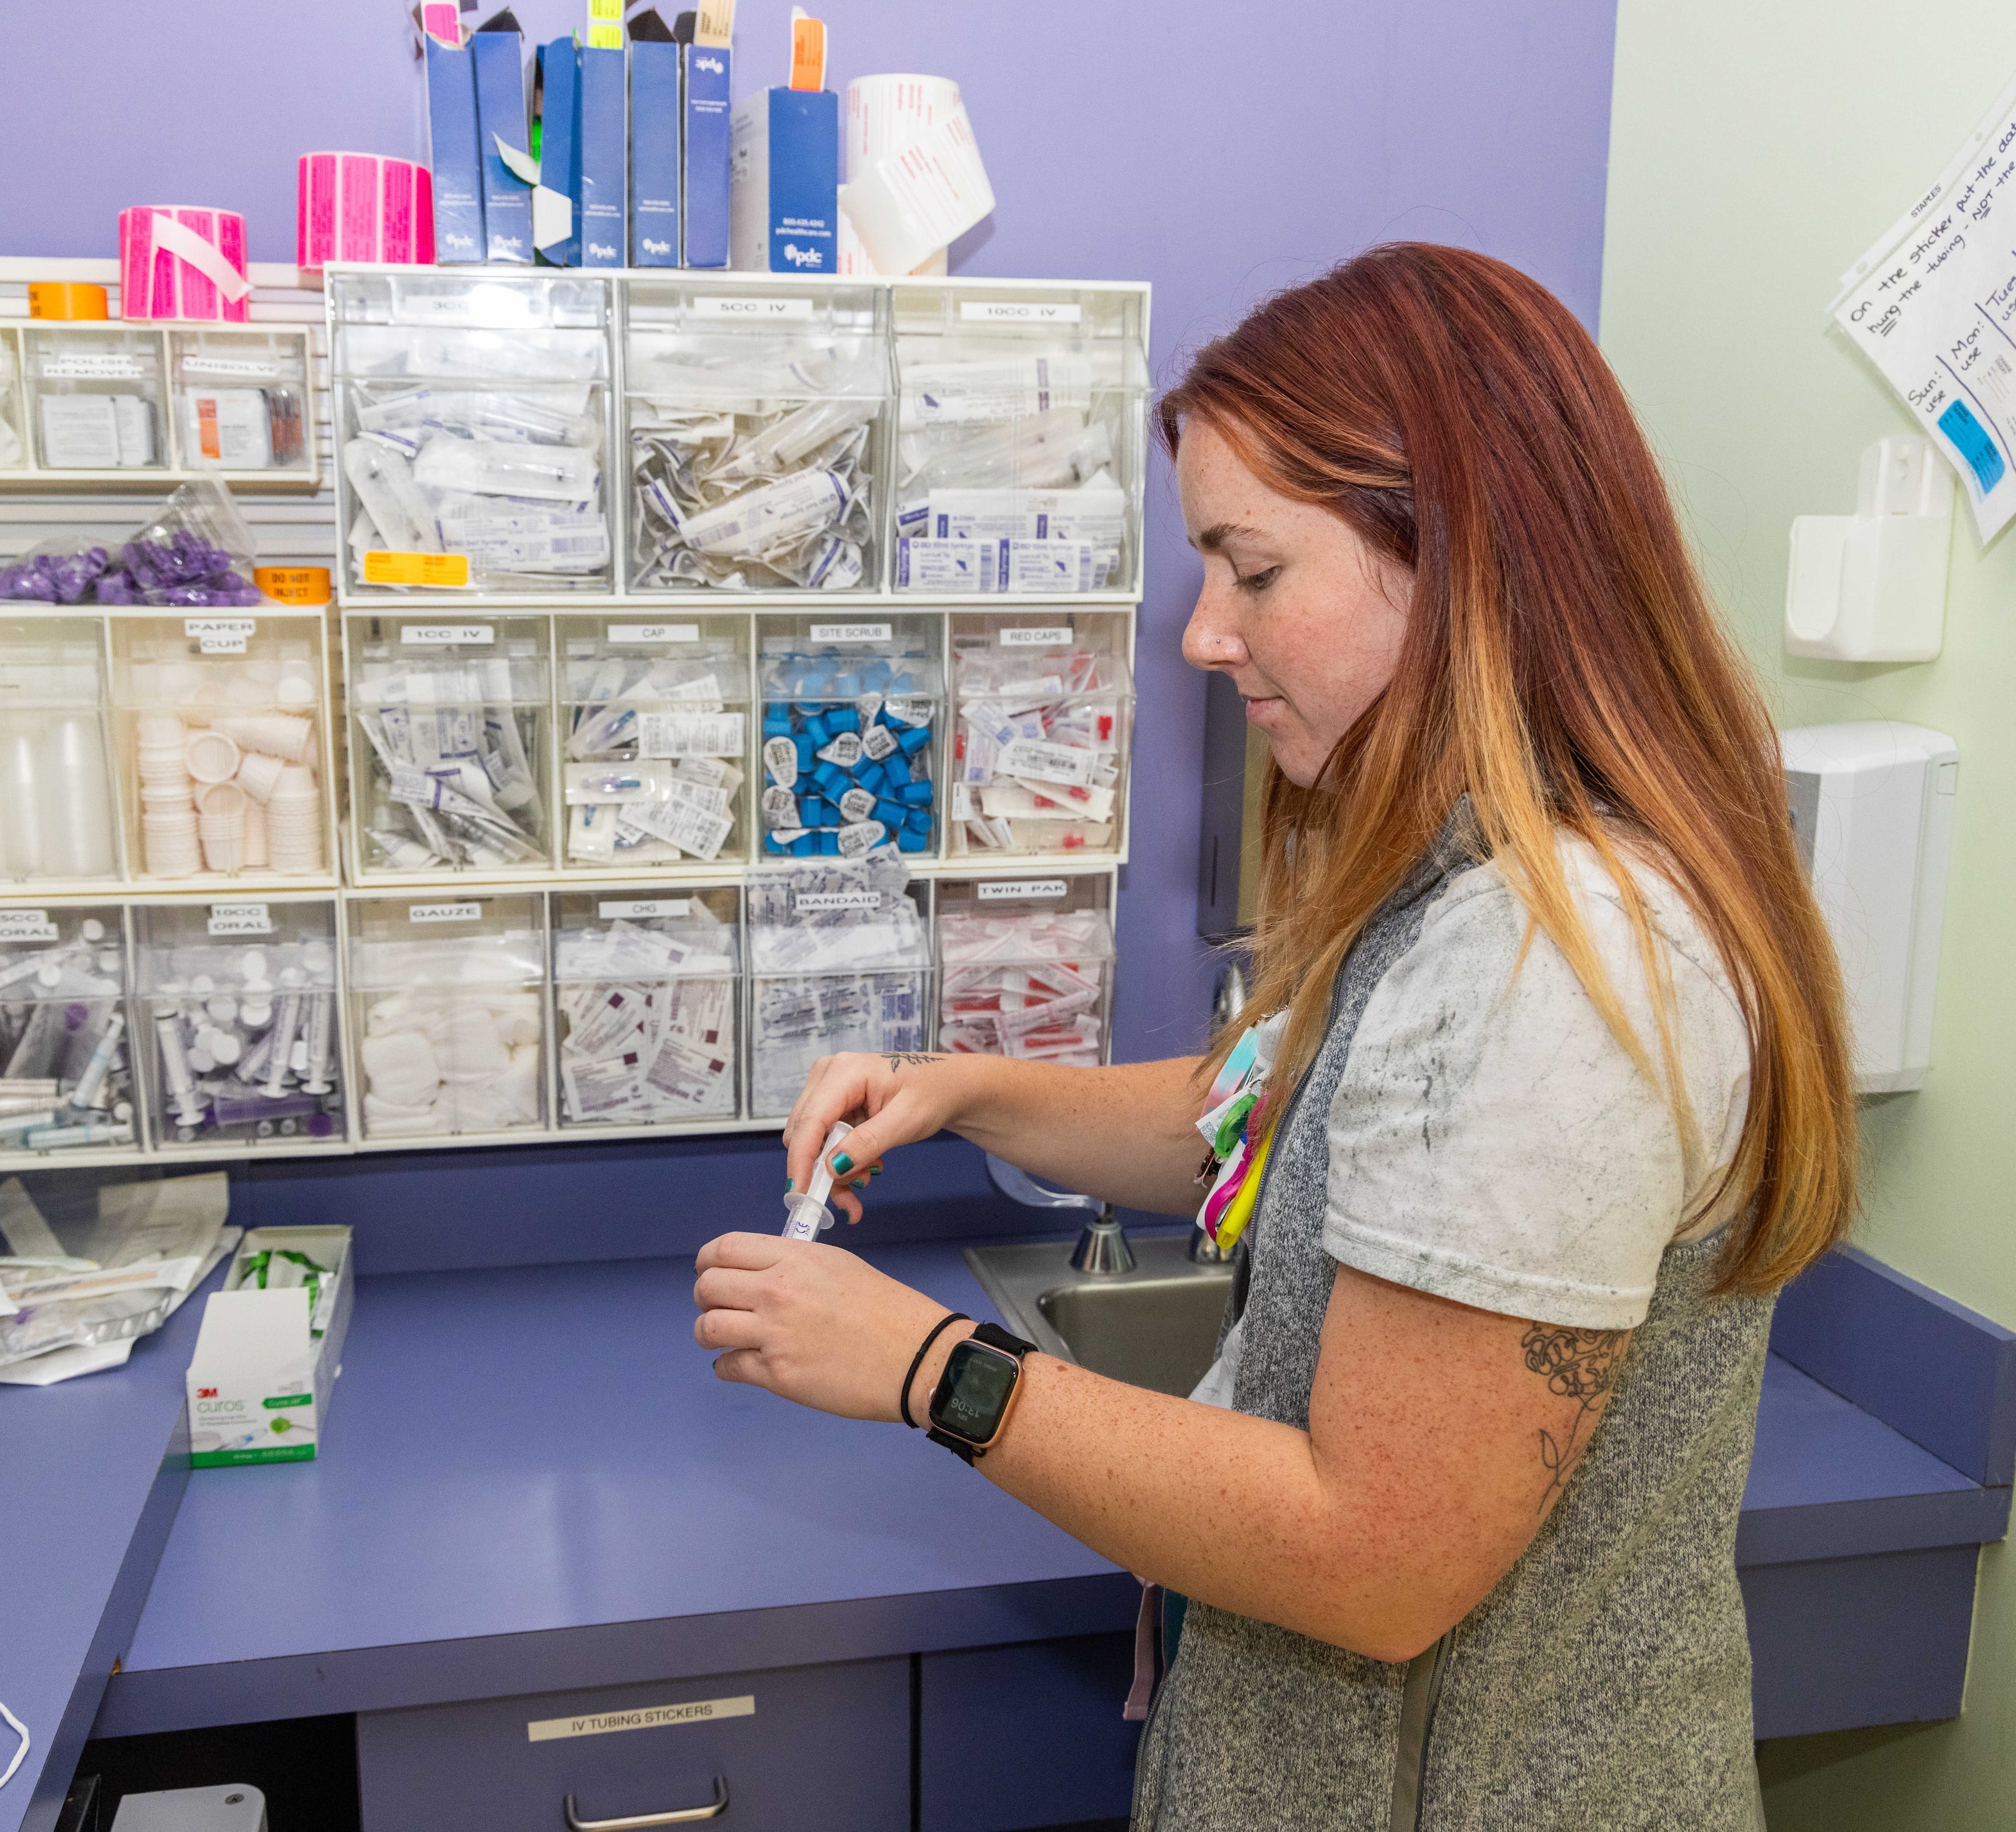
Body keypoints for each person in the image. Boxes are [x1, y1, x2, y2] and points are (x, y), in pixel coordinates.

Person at [689, 242, 1856, 1829]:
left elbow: (1370, 1555)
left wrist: (922, 1367)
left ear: (1459, 560)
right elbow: (1289, 1123)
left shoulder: (1558, 964)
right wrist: (967, 1093)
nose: (1204, 638)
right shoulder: (1459, 868)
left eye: (1254, 571)